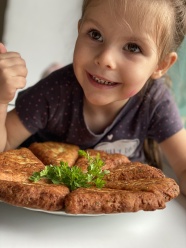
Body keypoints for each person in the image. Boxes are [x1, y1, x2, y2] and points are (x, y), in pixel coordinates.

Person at [0, 0, 186, 195]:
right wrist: (1, 100)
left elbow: (183, 167)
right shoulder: (53, 92)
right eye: (95, 34)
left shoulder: (154, 100)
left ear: (161, 65)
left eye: (133, 48)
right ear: (79, 30)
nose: (105, 58)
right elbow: (4, 148)